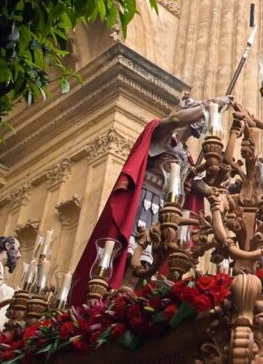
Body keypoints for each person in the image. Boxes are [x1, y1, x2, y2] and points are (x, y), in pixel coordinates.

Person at [71, 93, 230, 303]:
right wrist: (210, 106)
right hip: (145, 201)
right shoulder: (161, 133)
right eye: (196, 112)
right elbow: (175, 120)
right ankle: (118, 300)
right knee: (132, 256)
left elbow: (195, 182)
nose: (201, 120)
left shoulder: (186, 155)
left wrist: (216, 194)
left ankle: (133, 300)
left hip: (166, 210)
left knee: (151, 262)